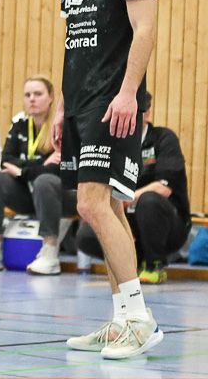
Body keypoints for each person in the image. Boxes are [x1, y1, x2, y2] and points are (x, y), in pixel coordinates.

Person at [56, 0, 162, 359]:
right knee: (110, 208)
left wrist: (128, 93)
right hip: (79, 102)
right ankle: (121, 320)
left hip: (112, 99)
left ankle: (139, 318)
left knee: (92, 205)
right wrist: (62, 106)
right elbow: (72, 42)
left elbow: (145, 29)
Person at [75, 93, 190, 286]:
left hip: (169, 223)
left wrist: (129, 197)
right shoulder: (115, 143)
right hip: (131, 219)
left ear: (147, 114)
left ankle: (155, 265)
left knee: (149, 200)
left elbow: (164, 188)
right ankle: (130, 266)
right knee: (86, 235)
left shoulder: (163, 138)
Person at [0, 76, 65, 275]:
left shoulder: (60, 126)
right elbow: (6, 160)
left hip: (57, 194)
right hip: (27, 194)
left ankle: (50, 254)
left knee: (45, 180)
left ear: (51, 97)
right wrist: (41, 165)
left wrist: (22, 171)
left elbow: (57, 169)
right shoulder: (20, 123)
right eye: (27, 95)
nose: (32, 99)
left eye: (38, 94)